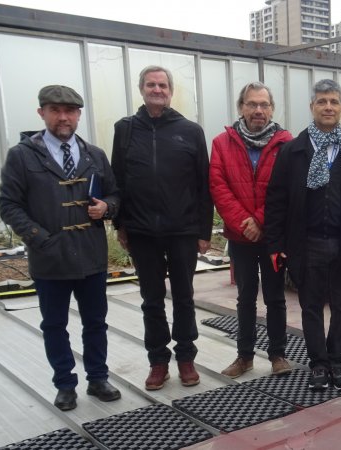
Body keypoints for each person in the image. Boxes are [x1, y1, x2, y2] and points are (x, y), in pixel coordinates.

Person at [0, 85, 121, 410]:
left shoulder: (94, 155)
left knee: (96, 322)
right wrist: (39, 238)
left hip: (91, 255)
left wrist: (106, 208)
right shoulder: (23, 156)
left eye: (70, 111)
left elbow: (115, 195)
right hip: (49, 259)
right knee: (54, 325)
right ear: (42, 113)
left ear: (79, 114)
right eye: (56, 110)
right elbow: (9, 205)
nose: (63, 117)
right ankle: (65, 384)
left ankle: (97, 378)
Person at [265, 79, 341, 391]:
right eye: (322, 101)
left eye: (334, 102)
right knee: (311, 306)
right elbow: (276, 200)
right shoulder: (292, 151)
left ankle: (337, 361)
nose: (328, 107)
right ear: (312, 106)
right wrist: (276, 243)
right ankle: (318, 363)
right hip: (306, 242)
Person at [111, 65, 213, 391]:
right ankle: (158, 361)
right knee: (151, 299)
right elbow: (118, 180)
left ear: (170, 91)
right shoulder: (125, 129)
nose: (157, 90)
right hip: (141, 231)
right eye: (151, 84)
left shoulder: (190, 130)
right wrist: (120, 224)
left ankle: (186, 357)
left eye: (163, 85)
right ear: (141, 89)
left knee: (184, 297)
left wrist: (204, 231)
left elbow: (203, 184)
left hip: (182, 229)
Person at [209, 82, 293, 378]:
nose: (258, 110)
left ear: (272, 108)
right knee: (245, 296)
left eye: (264, 105)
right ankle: (244, 356)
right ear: (241, 107)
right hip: (240, 236)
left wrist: (260, 221)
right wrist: (245, 224)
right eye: (252, 104)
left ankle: (278, 355)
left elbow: (284, 189)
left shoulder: (286, 142)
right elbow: (219, 187)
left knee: (275, 297)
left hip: (273, 237)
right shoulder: (222, 143)